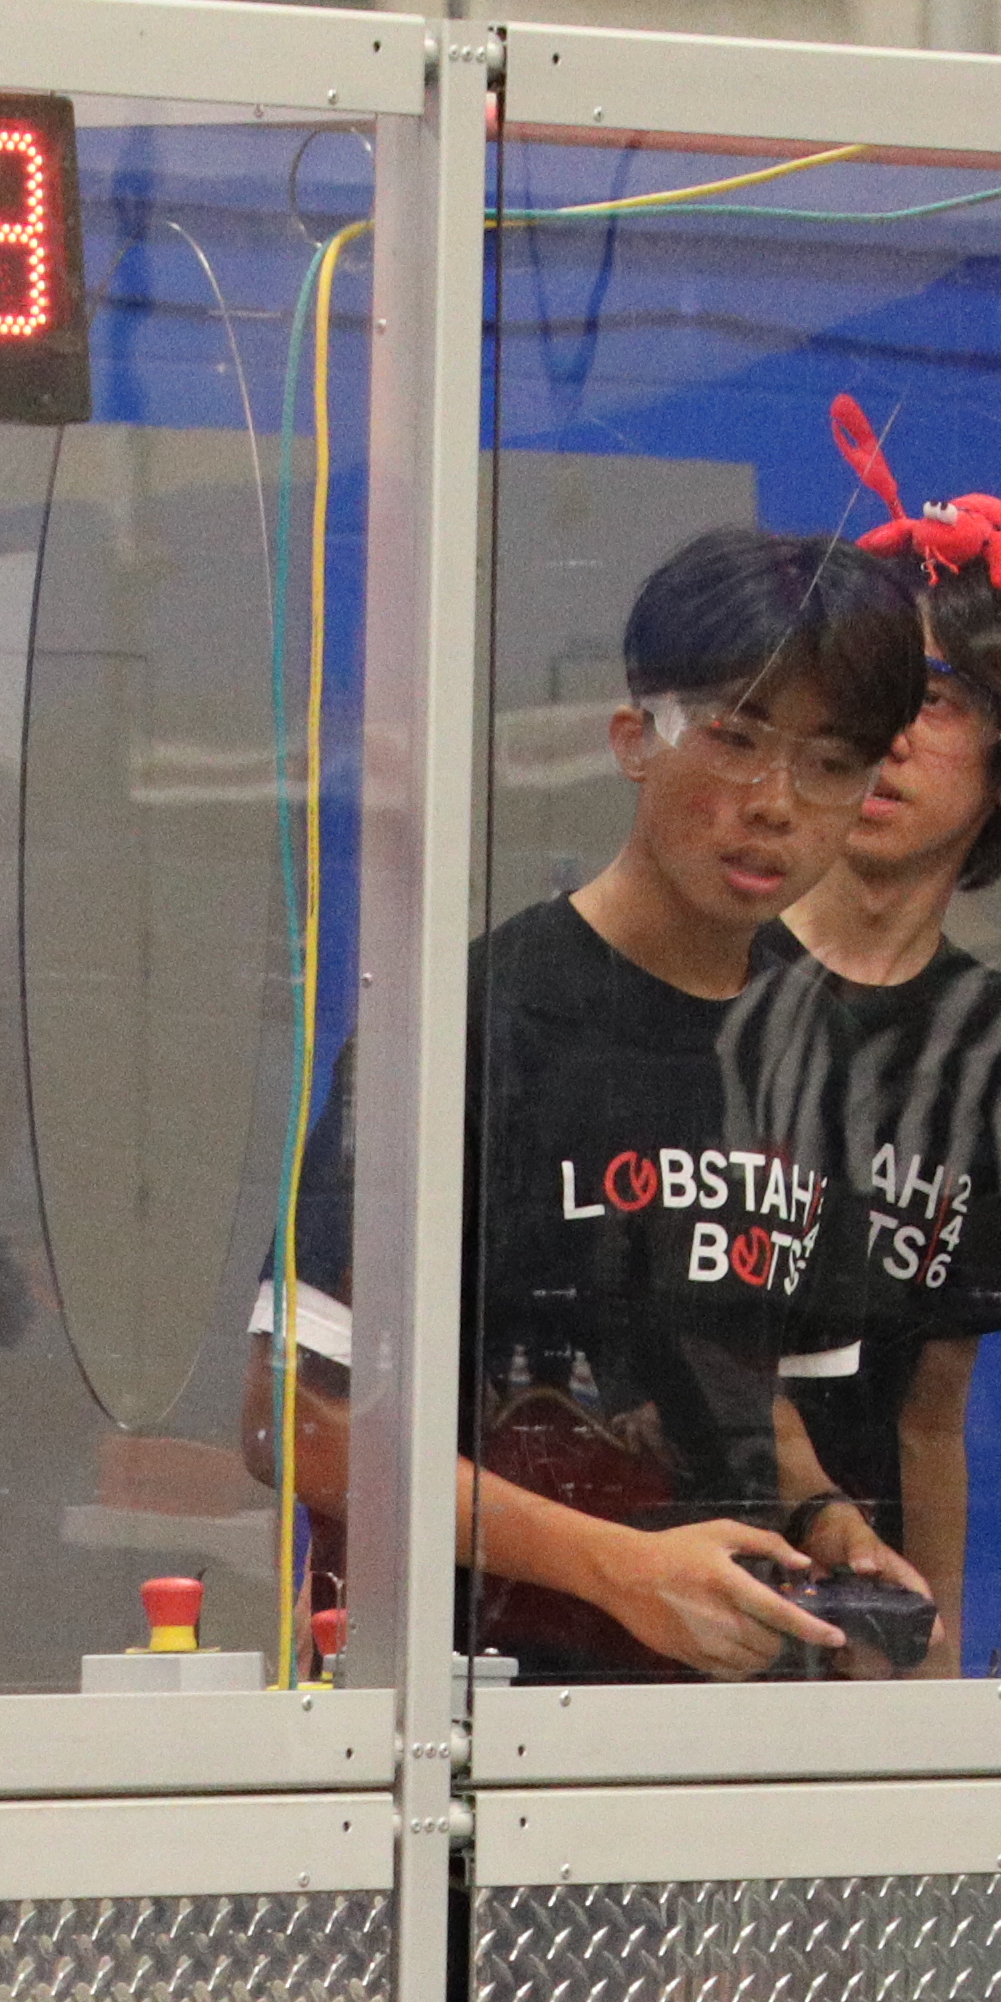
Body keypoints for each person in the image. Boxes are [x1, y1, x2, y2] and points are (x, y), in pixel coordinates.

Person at [271, 524, 932, 1681]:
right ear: (634, 739)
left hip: (717, 1730)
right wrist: (614, 1567)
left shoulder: (826, 1050)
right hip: (466, 1722)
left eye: (832, 764)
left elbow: (749, 1393)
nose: (776, 804)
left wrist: (827, 1522)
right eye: (735, 739)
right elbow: (298, 1419)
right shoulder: (472, 1027)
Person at [747, 404, 1001, 1680]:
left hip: (860, 1624)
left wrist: (930, 1673)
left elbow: (931, 1413)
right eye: (871, 688)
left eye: (941, 699)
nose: (891, 728)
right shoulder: (697, 984)